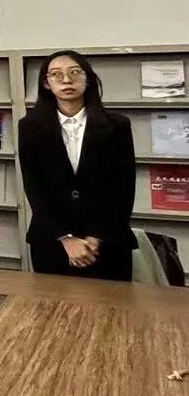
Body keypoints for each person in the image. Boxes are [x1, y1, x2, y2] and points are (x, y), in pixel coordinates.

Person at [18, 50, 135, 280]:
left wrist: (96, 236)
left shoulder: (117, 125)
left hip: (107, 241)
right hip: (52, 241)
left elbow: (123, 187)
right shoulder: (30, 126)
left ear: (88, 78)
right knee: (53, 303)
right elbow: (35, 188)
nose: (66, 80)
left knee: (110, 303)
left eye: (74, 72)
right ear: (46, 83)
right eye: (56, 74)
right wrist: (66, 237)